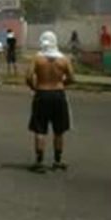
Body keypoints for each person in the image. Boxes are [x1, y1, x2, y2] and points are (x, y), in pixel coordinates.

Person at [26, 31, 74, 173]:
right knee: (59, 130)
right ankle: (57, 161)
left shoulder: (37, 59)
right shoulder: (64, 59)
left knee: (40, 129)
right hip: (58, 95)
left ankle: (39, 162)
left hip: (42, 93)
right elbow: (72, 78)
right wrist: (61, 84)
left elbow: (28, 76)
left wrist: (34, 87)